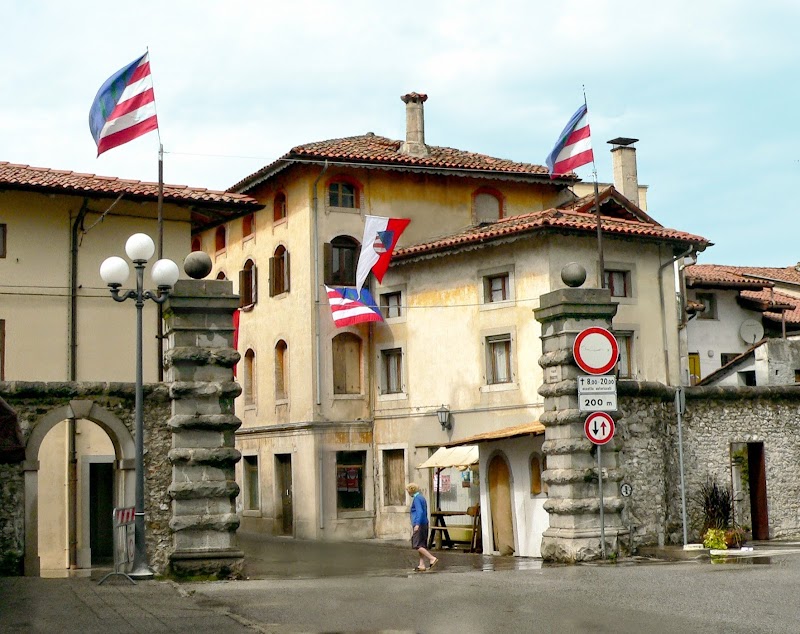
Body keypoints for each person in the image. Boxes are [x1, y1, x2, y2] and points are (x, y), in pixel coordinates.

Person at [406, 483, 439, 572]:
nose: (407, 492)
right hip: (424, 523)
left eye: (408, 490)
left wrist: (417, 524)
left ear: (411, 490)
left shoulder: (417, 499)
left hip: (419, 524)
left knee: (416, 544)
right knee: (421, 544)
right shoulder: (421, 498)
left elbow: (419, 512)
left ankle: (432, 558)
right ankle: (421, 564)